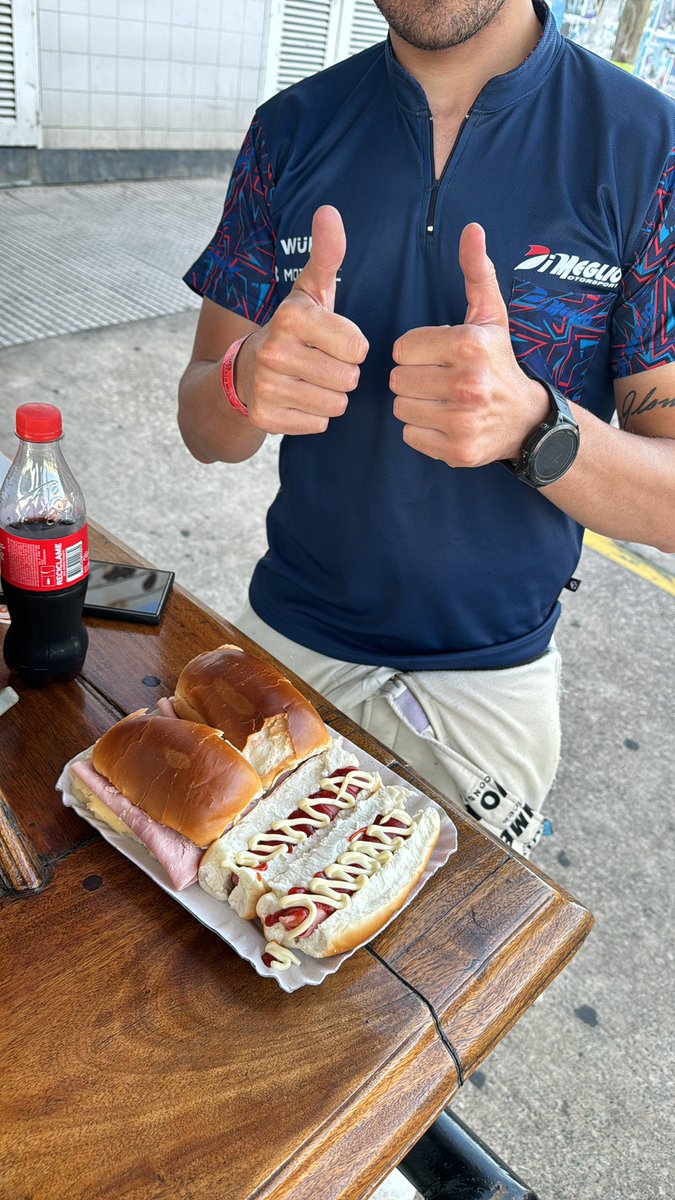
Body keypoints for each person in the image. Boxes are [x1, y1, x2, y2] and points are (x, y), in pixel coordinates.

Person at [178, 0, 675, 857]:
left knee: (444, 984)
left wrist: (536, 426)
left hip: (490, 678)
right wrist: (242, 378)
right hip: (287, 641)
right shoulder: (289, 129)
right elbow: (203, 424)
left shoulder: (646, 146)